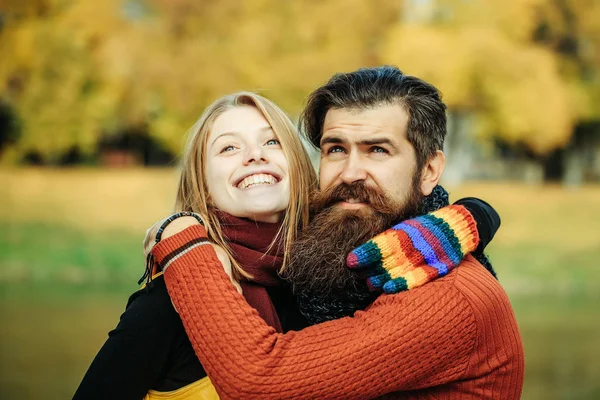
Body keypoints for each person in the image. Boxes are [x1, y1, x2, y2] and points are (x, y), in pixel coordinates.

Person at [73, 90, 496, 399]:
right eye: (228, 148)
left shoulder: (328, 278)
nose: (254, 156)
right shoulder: (181, 292)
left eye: (272, 141)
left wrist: (475, 215)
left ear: (297, 165)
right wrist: (184, 239)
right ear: (201, 182)